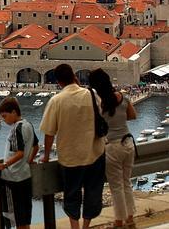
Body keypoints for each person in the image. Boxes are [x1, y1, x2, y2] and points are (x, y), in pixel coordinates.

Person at [40, 64, 106, 229]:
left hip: (70, 158)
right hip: (94, 153)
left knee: (71, 195)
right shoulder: (92, 95)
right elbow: (102, 116)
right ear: (74, 76)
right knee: (93, 193)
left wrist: (46, 156)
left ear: (59, 82)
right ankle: (86, 226)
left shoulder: (56, 101)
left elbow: (49, 132)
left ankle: (75, 227)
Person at [89, 69, 137, 228]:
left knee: (116, 186)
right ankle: (130, 218)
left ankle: (118, 221)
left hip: (112, 146)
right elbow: (132, 115)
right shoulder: (123, 97)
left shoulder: (99, 103)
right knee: (126, 182)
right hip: (128, 143)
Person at [0, 97, 39, 229]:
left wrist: (4, 165)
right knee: (24, 218)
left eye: (5, 116)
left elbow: (19, 153)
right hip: (25, 176)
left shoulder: (15, 129)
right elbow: (35, 146)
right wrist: (28, 162)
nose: (4, 120)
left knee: (16, 218)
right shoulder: (28, 124)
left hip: (12, 178)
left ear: (13, 112)